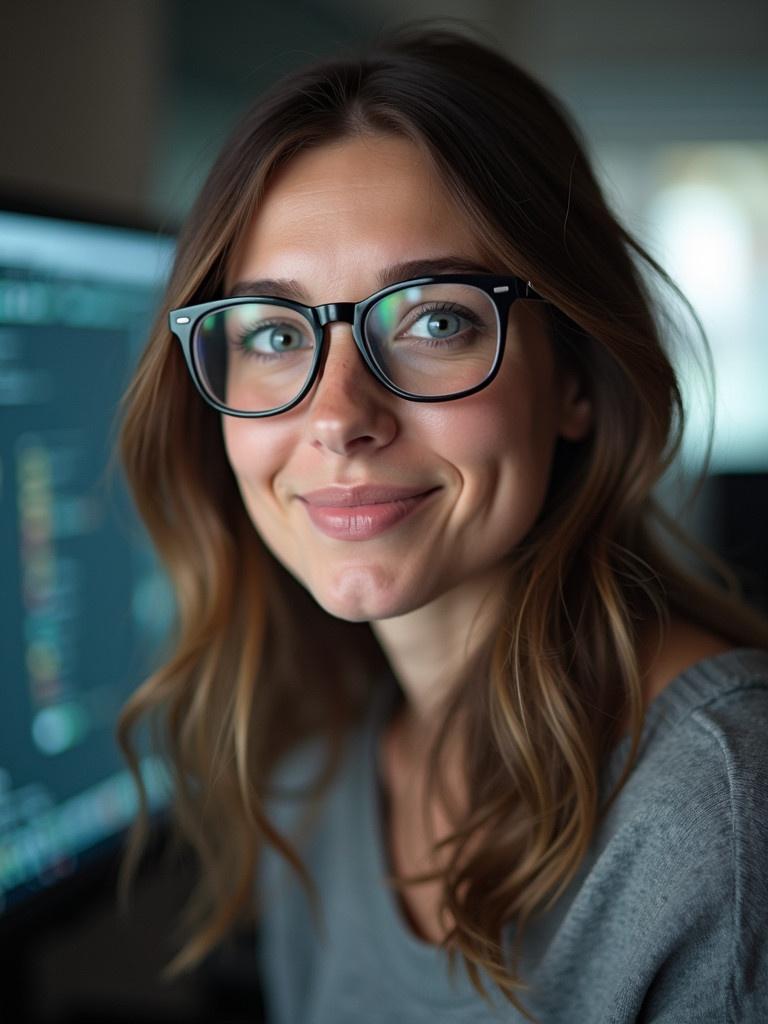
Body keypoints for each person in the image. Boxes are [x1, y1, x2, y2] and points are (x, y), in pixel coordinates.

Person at [116, 26, 768, 1024]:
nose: (337, 416)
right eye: (273, 333)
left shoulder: (718, 818)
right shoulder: (321, 769)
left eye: (433, 320)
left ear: (576, 380)